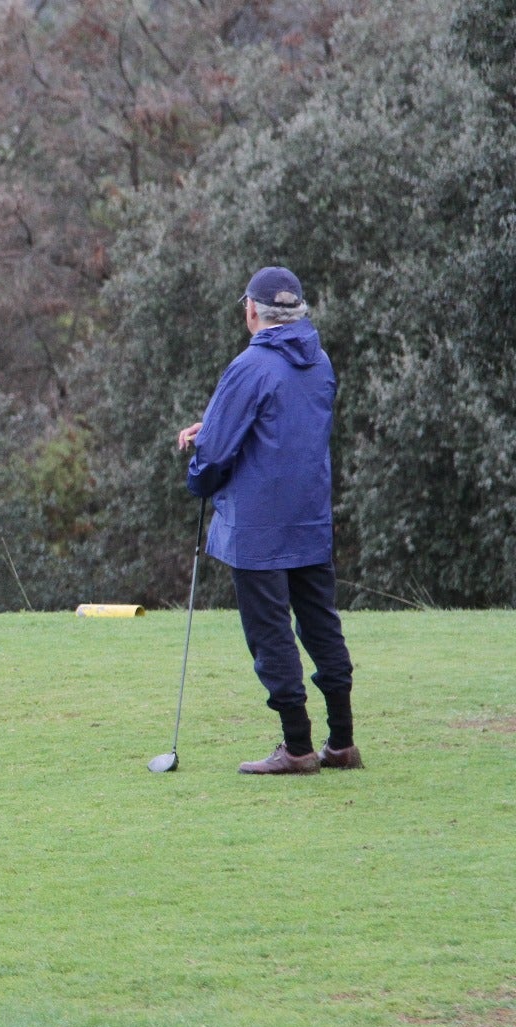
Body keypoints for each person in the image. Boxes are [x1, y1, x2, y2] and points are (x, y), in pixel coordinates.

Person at [176, 266, 362, 775]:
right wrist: (212, 424)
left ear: (253, 311)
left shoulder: (250, 365)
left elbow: (215, 454)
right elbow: (281, 423)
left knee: (271, 633)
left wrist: (199, 473)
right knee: (322, 625)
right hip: (309, 519)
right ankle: (342, 742)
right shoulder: (319, 361)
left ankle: (297, 748)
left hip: (258, 527)